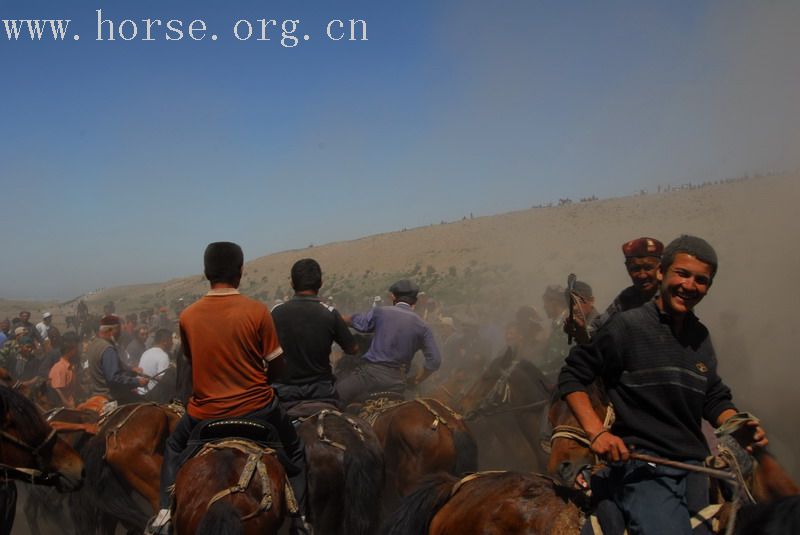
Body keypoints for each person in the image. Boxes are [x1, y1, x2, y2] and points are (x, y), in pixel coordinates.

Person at [558, 235, 768, 535]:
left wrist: (735, 422)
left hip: (692, 464)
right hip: (644, 465)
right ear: (663, 273)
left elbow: (712, 393)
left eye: (701, 280)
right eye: (682, 274)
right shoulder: (626, 320)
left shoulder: (700, 336)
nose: (690, 286)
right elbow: (574, 373)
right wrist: (597, 432)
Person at [148, 242, 309, 535]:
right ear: (241, 271)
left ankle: (163, 514)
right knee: (297, 450)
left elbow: (192, 362)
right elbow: (277, 367)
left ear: (206, 272)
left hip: (203, 414)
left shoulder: (188, 316)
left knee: (172, 448)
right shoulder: (258, 312)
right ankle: (300, 520)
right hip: (260, 411)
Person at [335, 279, 441, 404]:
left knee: (334, 397)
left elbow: (355, 322)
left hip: (370, 375)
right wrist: (417, 380)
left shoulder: (380, 312)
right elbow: (435, 360)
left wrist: (331, 314)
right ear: (415, 301)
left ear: (393, 296)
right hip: (398, 382)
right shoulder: (424, 326)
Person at [271, 258, 357, 409]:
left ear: (292, 284)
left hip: (285, 393)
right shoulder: (330, 313)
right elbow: (352, 349)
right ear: (321, 283)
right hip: (322, 391)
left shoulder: (276, 313)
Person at [590, 237, 664, 333]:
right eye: (635, 269)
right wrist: (581, 329)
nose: (642, 275)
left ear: (660, 268)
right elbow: (598, 327)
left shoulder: (671, 296)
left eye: (648, 268)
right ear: (627, 269)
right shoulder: (626, 298)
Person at [85, 315, 148, 404]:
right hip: (111, 396)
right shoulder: (108, 349)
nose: (119, 335)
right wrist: (137, 381)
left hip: (96, 393)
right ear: (110, 331)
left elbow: (108, 367)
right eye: (118, 331)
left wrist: (131, 370)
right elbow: (114, 378)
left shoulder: (93, 344)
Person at [49, 332, 81, 407]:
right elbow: (58, 392)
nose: (78, 351)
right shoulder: (59, 369)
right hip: (65, 412)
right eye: (76, 349)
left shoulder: (70, 367)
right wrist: (70, 407)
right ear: (70, 351)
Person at [137, 328, 173, 395]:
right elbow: (163, 380)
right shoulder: (163, 356)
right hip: (151, 395)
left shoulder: (146, 352)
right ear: (165, 341)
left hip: (140, 392)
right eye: (171, 340)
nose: (172, 343)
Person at [562, 280, 599, 345]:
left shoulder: (601, 325)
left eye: (579, 302)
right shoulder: (578, 325)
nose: (574, 308)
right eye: (571, 304)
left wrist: (582, 335)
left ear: (591, 300)